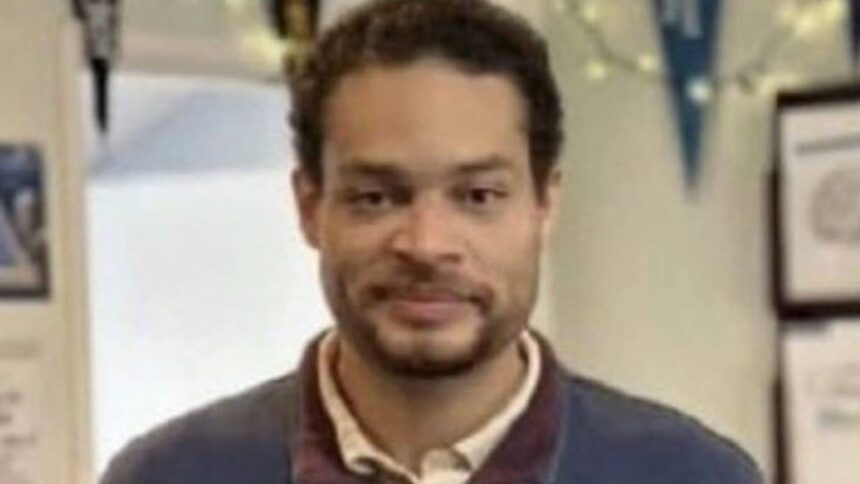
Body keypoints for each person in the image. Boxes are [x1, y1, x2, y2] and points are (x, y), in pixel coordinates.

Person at [101, 1, 763, 483]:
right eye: (376, 197)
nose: (425, 243)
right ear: (309, 208)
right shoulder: (169, 476)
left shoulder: (690, 475)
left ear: (544, 205)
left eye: (478, 196)